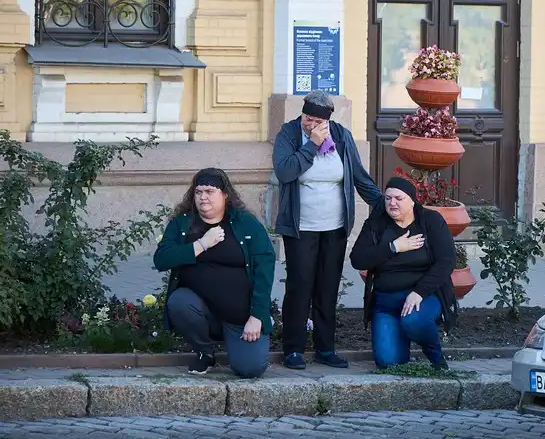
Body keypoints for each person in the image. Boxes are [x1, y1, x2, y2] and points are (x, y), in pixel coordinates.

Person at [272, 90, 383, 370]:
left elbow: (359, 177)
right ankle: (293, 349)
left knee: (327, 288)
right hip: (301, 227)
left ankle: (325, 348)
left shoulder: (342, 136)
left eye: (318, 121)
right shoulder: (289, 134)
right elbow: (285, 172)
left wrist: (388, 206)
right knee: (299, 286)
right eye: (307, 118)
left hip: (334, 227)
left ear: (328, 120)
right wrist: (312, 144)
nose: (311, 124)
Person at [154, 168, 274, 377]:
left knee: (250, 369)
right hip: (202, 312)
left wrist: (257, 316)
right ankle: (205, 351)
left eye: (209, 191)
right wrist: (201, 244)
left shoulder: (245, 223)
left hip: (241, 316)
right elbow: (162, 259)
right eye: (198, 192)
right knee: (179, 302)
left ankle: (235, 340)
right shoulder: (182, 222)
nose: (203, 197)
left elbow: (265, 269)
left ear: (225, 194)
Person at [349, 176, 458, 370]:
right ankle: (403, 333)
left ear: (412, 201)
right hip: (386, 304)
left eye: (398, 198)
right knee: (388, 362)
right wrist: (393, 247)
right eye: (388, 198)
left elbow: (446, 261)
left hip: (423, 297)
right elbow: (357, 259)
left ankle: (436, 358)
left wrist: (419, 292)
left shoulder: (430, 221)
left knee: (414, 320)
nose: (392, 203)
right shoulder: (376, 224)